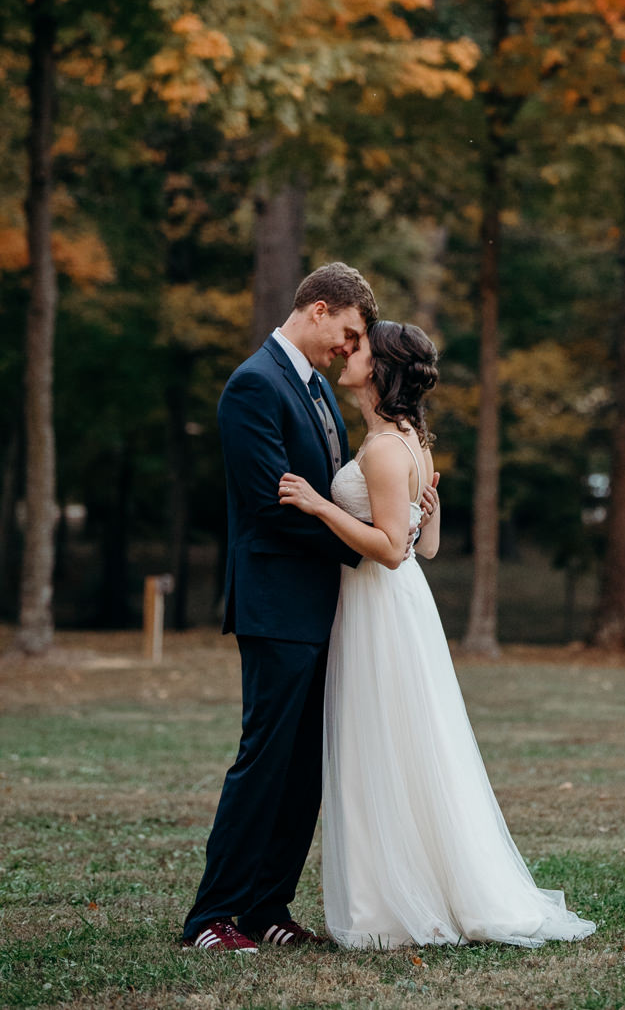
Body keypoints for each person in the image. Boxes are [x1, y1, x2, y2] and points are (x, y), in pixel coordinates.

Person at [278, 320, 596, 948]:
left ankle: (391, 907)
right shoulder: (407, 441)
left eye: (360, 347)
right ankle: (395, 894)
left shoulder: (386, 449)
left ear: (380, 368)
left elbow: (395, 550)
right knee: (398, 745)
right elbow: (431, 543)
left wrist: (321, 506)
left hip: (381, 604)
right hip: (390, 607)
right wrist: (424, 511)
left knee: (385, 745)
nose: (348, 351)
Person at [181, 263, 438, 953]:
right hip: (276, 603)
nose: (349, 349)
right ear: (318, 310)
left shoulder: (318, 393)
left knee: (304, 769)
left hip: (327, 605)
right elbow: (273, 504)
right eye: (348, 333)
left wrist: (384, 538)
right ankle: (213, 917)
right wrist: (373, 549)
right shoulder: (253, 386)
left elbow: (327, 495)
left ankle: (268, 905)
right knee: (264, 761)